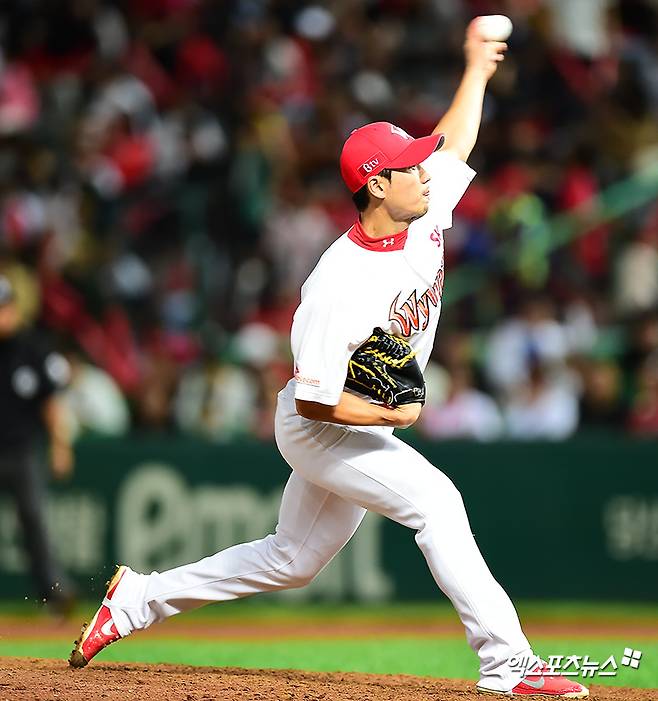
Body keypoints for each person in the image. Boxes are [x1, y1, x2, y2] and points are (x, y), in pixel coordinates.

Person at [69, 20, 588, 699]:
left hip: (354, 415)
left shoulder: (421, 209)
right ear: (377, 185)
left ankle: (138, 598)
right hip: (320, 424)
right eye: (409, 166)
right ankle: (507, 662)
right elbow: (314, 397)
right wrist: (386, 414)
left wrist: (477, 69)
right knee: (437, 502)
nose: (425, 171)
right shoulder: (337, 282)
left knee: (292, 559)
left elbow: (456, 139)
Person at [0, 274, 74, 613]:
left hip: (22, 450)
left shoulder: (32, 348)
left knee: (33, 519)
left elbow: (51, 403)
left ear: (13, 309)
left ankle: (54, 594)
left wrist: (60, 445)